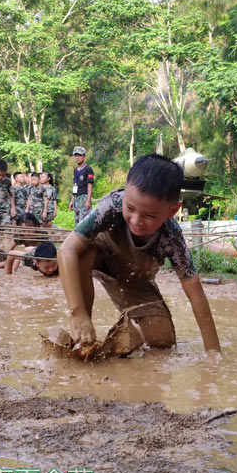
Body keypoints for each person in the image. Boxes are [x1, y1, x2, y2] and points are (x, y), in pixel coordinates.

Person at [58, 153, 221, 361]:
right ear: (125, 192)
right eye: (130, 208)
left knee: (162, 342)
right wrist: (77, 312)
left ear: (173, 211)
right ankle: (83, 337)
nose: (136, 220)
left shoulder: (171, 236)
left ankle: (128, 334)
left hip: (135, 279)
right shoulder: (111, 205)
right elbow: (66, 250)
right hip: (99, 259)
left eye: (150, 216)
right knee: (82, 251)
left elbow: (195, 291)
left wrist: (214, 353)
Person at [69, 146, 93, 226]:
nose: (77, 157)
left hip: (84, 197)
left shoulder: (88, 169)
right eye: (75, 155)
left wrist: (88, 200)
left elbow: (90, 185)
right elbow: (75, 185)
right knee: (77, 223)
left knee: (84, 224)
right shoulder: (76, 170)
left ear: (84, 156)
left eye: (79, 155)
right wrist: (72, 201)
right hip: (77, 198)